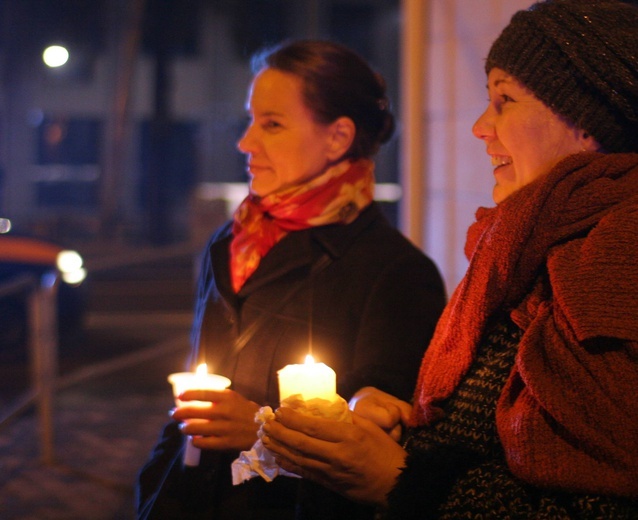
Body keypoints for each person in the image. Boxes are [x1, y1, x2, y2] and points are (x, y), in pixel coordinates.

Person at [261, 1, 638, 518]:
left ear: (587, 122)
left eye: (505, 99)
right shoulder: (523, 247)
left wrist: (396, 479)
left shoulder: (616, 268)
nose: (481, 126)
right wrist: (411, 433)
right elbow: (492, 442)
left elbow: (605, 505)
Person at [136, 39, 446, 519]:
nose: (246, 142)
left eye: (272, 124)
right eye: (250, 119)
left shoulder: (397, 273)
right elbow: (194, 396)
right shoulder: (233, 240)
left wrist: (262, 430)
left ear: (338, 138)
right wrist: (156, 486)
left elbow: (382, 460)